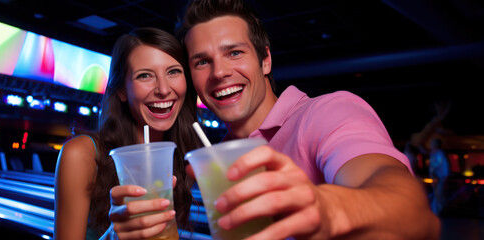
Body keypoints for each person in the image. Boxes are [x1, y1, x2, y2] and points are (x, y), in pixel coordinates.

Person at [176, 0, 440, 239]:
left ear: (265, 60)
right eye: (201, 62)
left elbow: (412, 214)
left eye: (234, 53)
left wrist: (329, 210)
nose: (219, 72)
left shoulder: (327, 113)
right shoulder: (220, 156)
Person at [54, 27, 200, 239]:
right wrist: (115, 236)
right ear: (122, 90)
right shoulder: (81, 154)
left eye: (173, 71)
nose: (163, 89)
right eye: (144, 75)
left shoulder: (184, 157)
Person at [429, 138, 450, 215]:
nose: (430, 145)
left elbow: (436, 164)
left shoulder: (439, 153)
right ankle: (437, 210)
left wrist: (433, 172)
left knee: (439, 193)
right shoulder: (434, 153)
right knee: (437, 193)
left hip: (440, 177)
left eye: (432, 143)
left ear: (436, 144)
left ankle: (439, 211)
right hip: (437, 177)